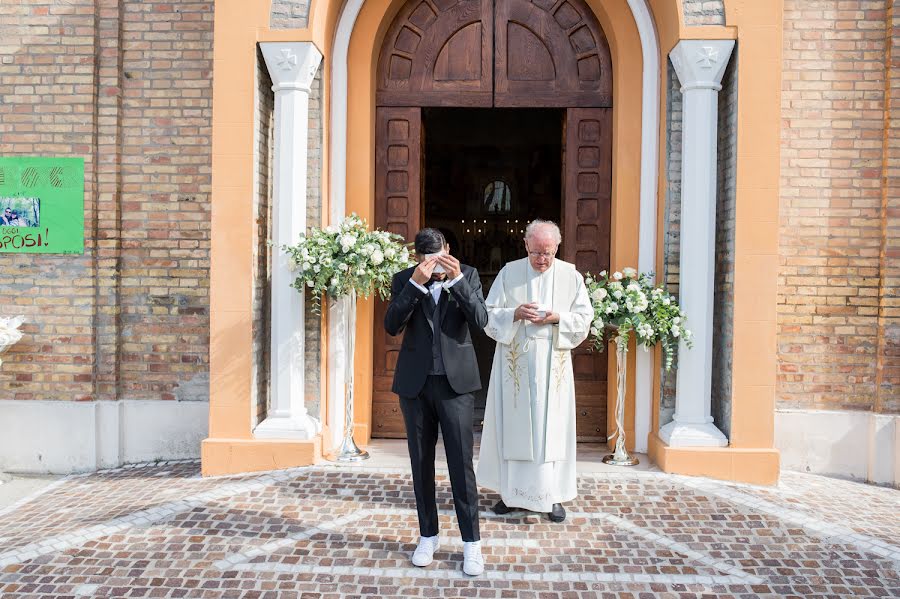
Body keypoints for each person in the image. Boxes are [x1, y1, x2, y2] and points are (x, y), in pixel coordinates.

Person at [384, 227, 488, 576]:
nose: (436, 265)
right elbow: (391, 325)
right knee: (421, 464)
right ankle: (427, 535)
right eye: (429, 260)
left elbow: (481, 320)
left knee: (461, 466)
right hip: (415, 387)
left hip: (455, 387)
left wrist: (456, 280)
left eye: (441, 257)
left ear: (449, 249)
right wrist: (416, 285)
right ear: (418, 258)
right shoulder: (404, 280)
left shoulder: (468, 274)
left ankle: (471, 544)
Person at [476, 219, 593, 523]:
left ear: (557, 248)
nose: (542, 260)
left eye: (548, 253)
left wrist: (557, 318)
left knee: (550, 433)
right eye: (536, 252)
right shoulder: (509, 273)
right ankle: (511, 495)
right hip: (514, 368)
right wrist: (514, 313)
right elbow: (487, 315)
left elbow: (584, 318)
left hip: (553, 366)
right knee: (514, 429)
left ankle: (550, 497)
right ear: (526, 245)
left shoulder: (571, 276)